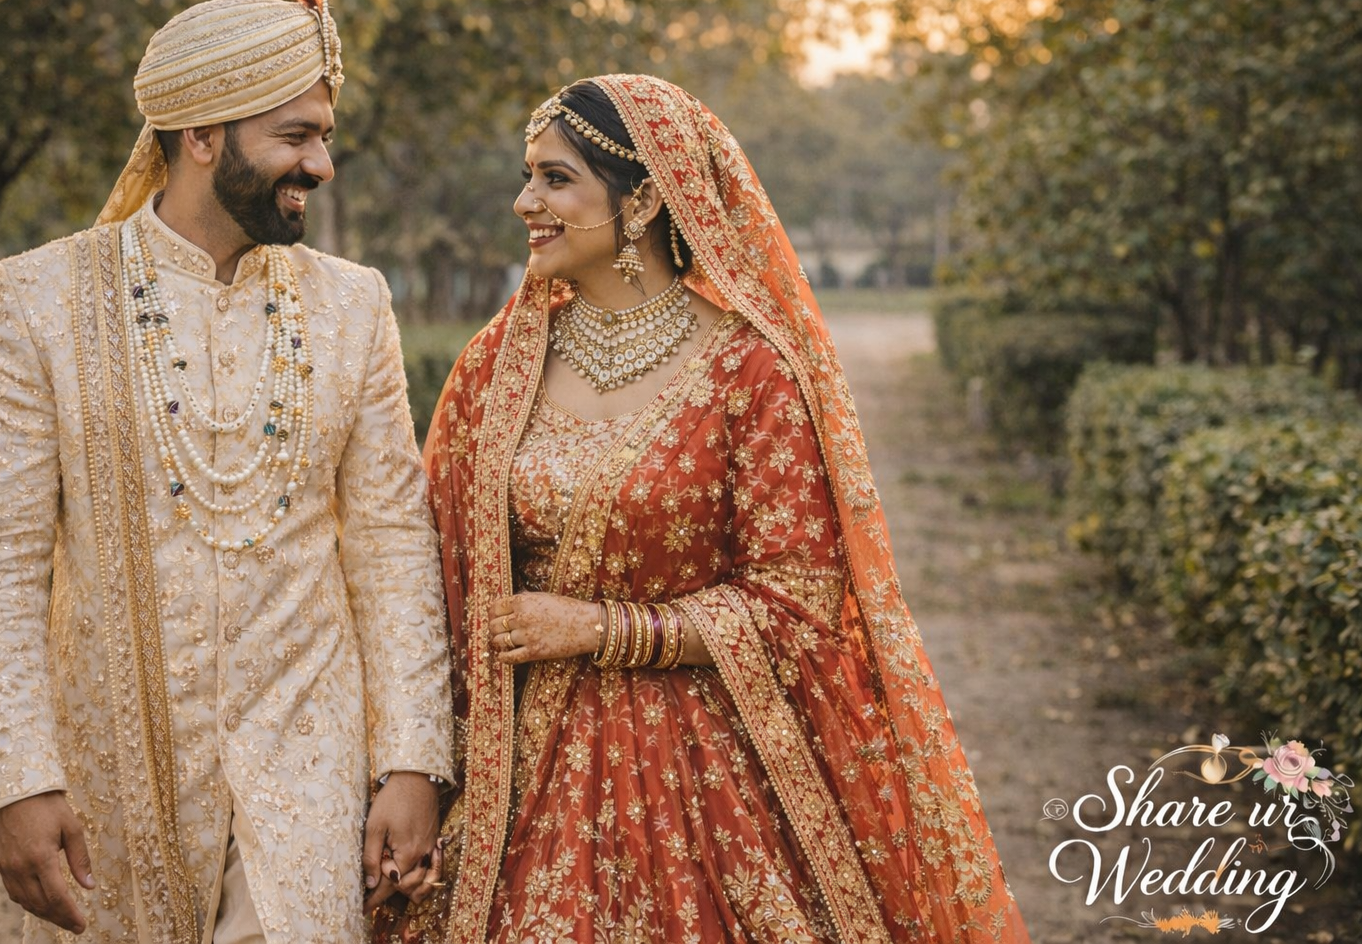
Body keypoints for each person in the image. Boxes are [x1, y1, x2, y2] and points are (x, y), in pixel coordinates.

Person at [378, 75, 1031, 943]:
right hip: (519, 772)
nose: (523, 200)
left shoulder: (750, 373)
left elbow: (800, 599)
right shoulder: (497, 364)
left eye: (556, 178)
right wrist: (419, 771)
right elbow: (432, 578)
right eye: (529, 175)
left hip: (706, 770)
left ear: (644, 197)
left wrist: (602, 629)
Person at [0, 0, 451, 944]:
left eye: (326, 134)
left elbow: (394, 546)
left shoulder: (355, 306)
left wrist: (412, 761)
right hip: (120, 777)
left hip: (310, 764)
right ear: (203, 134)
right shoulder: (39, 299)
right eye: (296, 136)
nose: (321, 162)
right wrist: (16, 779)